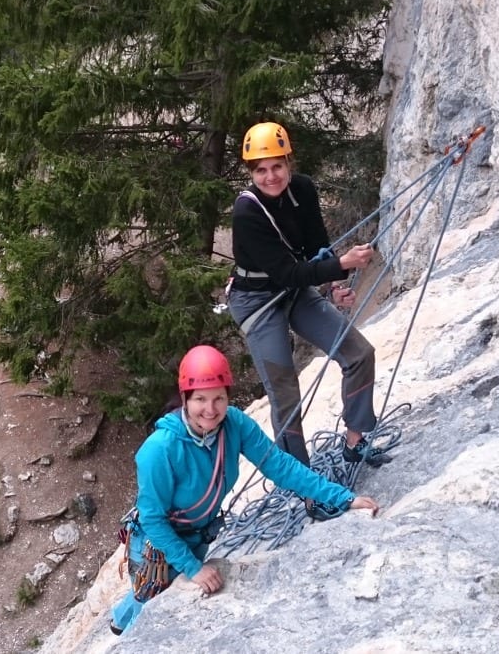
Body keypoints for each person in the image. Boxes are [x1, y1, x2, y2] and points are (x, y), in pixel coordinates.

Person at [109, 345, 380, 635]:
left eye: (218, 398)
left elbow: (280, 466)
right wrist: (192, 568)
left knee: (147, 594)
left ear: (228, 397)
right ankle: (123, 628)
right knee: (148, 615)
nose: (211, 410)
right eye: (200, 399)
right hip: (157, 543)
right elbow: (153, 520)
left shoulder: (234, 424)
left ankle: (116, 621)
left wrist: (342, 498)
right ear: (185, 399)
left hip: (197, 536)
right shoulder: (159, 449)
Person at [227, 121, 387, 469]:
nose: (271, 177)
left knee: (359, 353)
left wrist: (334, 285)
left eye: (277, 166)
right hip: (257, 301)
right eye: (261, 170)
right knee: (285, 393)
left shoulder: (303, 189)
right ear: (251, 173)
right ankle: (302, 484)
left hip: (294, 291)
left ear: (289, 163)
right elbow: (287, 272)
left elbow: (316, 245)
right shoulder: (247, 212)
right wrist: (341, 265)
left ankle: (356, 440)